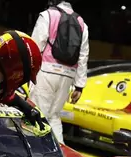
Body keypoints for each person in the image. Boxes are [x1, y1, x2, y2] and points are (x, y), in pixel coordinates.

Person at [29, 0, 89, 144]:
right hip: (68, 75)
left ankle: (34, 153)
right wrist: (79, 86)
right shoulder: (82, 23)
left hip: (46, 71)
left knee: (37, 113)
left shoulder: (47, 15)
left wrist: (29, 71)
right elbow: (83, 56)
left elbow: (35, 46)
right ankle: (60, 155)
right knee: (54, 116)